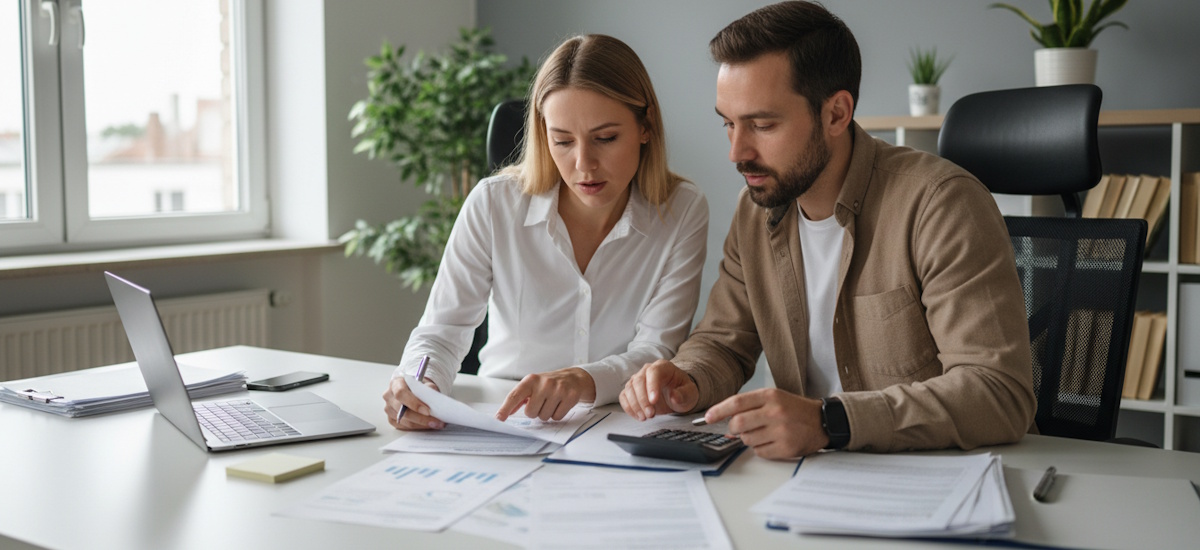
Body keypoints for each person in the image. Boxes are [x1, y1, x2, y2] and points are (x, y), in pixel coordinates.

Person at [619, 1, 1035, 459]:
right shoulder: (755, 211)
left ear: (836, 113)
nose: (737, 152)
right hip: (816, 477)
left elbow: (999, 393)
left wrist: (827, 421)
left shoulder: (940, 204)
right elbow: (723, 342)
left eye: (762, 124)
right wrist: (689, 378)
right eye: (728, 124)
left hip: (938, 478)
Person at [384, 34, 709, 430]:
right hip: (502, 418)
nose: (583, 163)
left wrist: (582, 381)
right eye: (562, 141)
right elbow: (442, 331)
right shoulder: (494, 203)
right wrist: (421, 383)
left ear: (646, 126)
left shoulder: (682, 210)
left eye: (606, 138)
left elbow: (658, 349)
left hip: (618, 423)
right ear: (544, 135)